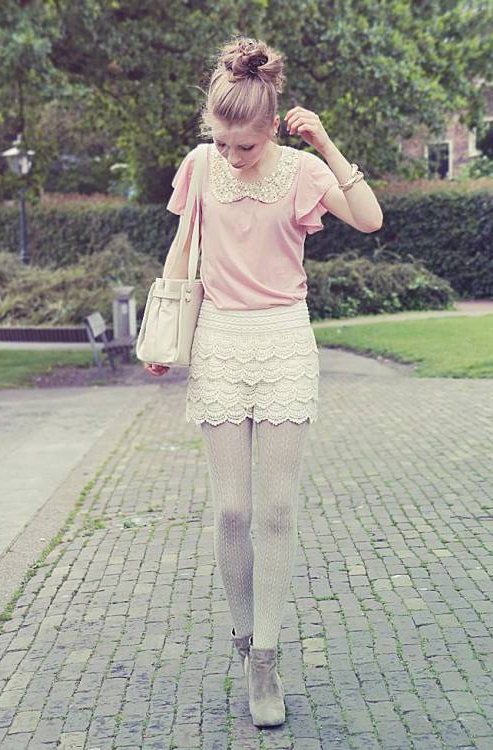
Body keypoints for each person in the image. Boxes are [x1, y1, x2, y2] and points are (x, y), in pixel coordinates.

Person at [144, 35, 383, 727]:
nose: (230, 156)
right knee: (231, 512)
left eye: (242, 146)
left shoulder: (305, 172)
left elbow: (367, 218)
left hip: (283, 338)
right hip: (219, 338)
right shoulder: (199, 165)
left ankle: (265, 660)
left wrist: (327, 143)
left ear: (272, 128)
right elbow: (183, 245)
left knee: (276, 510)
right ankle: (242, 631)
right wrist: (167, 327)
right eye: (220, 142)